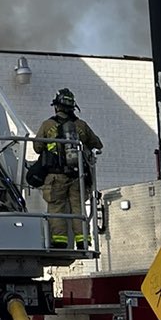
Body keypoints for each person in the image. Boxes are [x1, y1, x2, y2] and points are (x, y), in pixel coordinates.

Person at [25, 88, 103, 250]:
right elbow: (97, 144)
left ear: (56, 107)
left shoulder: (48, 125)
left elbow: (38, 148)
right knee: (78, 208)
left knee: (56, 207)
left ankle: (60, 241)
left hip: (55, 176)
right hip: (78, 176)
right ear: (73, 108)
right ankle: (83, 241)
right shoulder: (81, 125)